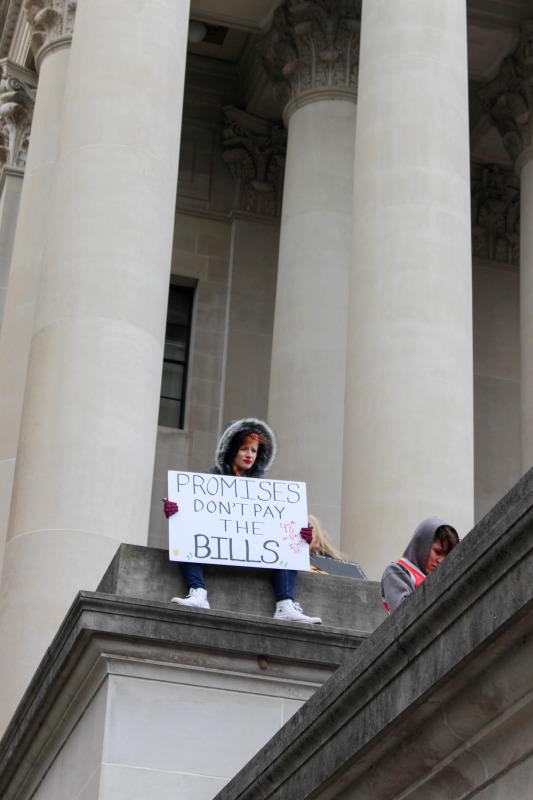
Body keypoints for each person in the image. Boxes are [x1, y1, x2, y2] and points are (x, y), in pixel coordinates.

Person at [163, 418, 322, 624]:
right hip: (213, 545)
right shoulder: (205, 479)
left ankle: (285, 604)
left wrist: (300, 533)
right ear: (231, 450)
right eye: (244, 449)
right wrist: (175, 511)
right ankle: (197, 591)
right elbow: (189, 514)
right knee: (184, 528)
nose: (249, 455)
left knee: (289, 542)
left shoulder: (266, 489)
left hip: (256, 551)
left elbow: (280, 526)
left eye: (254, 451)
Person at [380, 515, 459, 615]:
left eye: (446, 556)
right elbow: (403, 616)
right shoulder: (397, 571)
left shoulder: (442, 578)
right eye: (438, 552)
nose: (441, 560)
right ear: (422, 546)